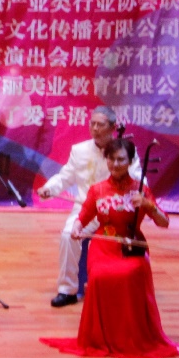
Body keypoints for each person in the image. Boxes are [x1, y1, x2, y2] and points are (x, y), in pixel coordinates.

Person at [41, 139, 179, 358]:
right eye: (111, 159)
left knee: (132, 272)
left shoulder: (141, 190)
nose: (116, 164)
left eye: (121, 159)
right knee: (99, 276)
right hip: (103, 246)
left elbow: (164, 222)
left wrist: (148, 206)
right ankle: (100, 337)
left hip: (131, 246)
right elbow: (83, 217)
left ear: (130, 162)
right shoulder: (98, 189)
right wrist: (77, 229)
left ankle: (130, 335)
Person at [37, 106, 135, 308]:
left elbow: (138, 180)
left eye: (101, 125)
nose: (95, 128)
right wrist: (49, 188)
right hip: (85, 209)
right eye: (93, 124)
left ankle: (116, 288)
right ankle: (68, 290)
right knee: (68, 236)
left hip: (114, 211)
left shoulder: (123, 151)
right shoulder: (79, 150)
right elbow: (65, 177)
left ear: (113, 127)